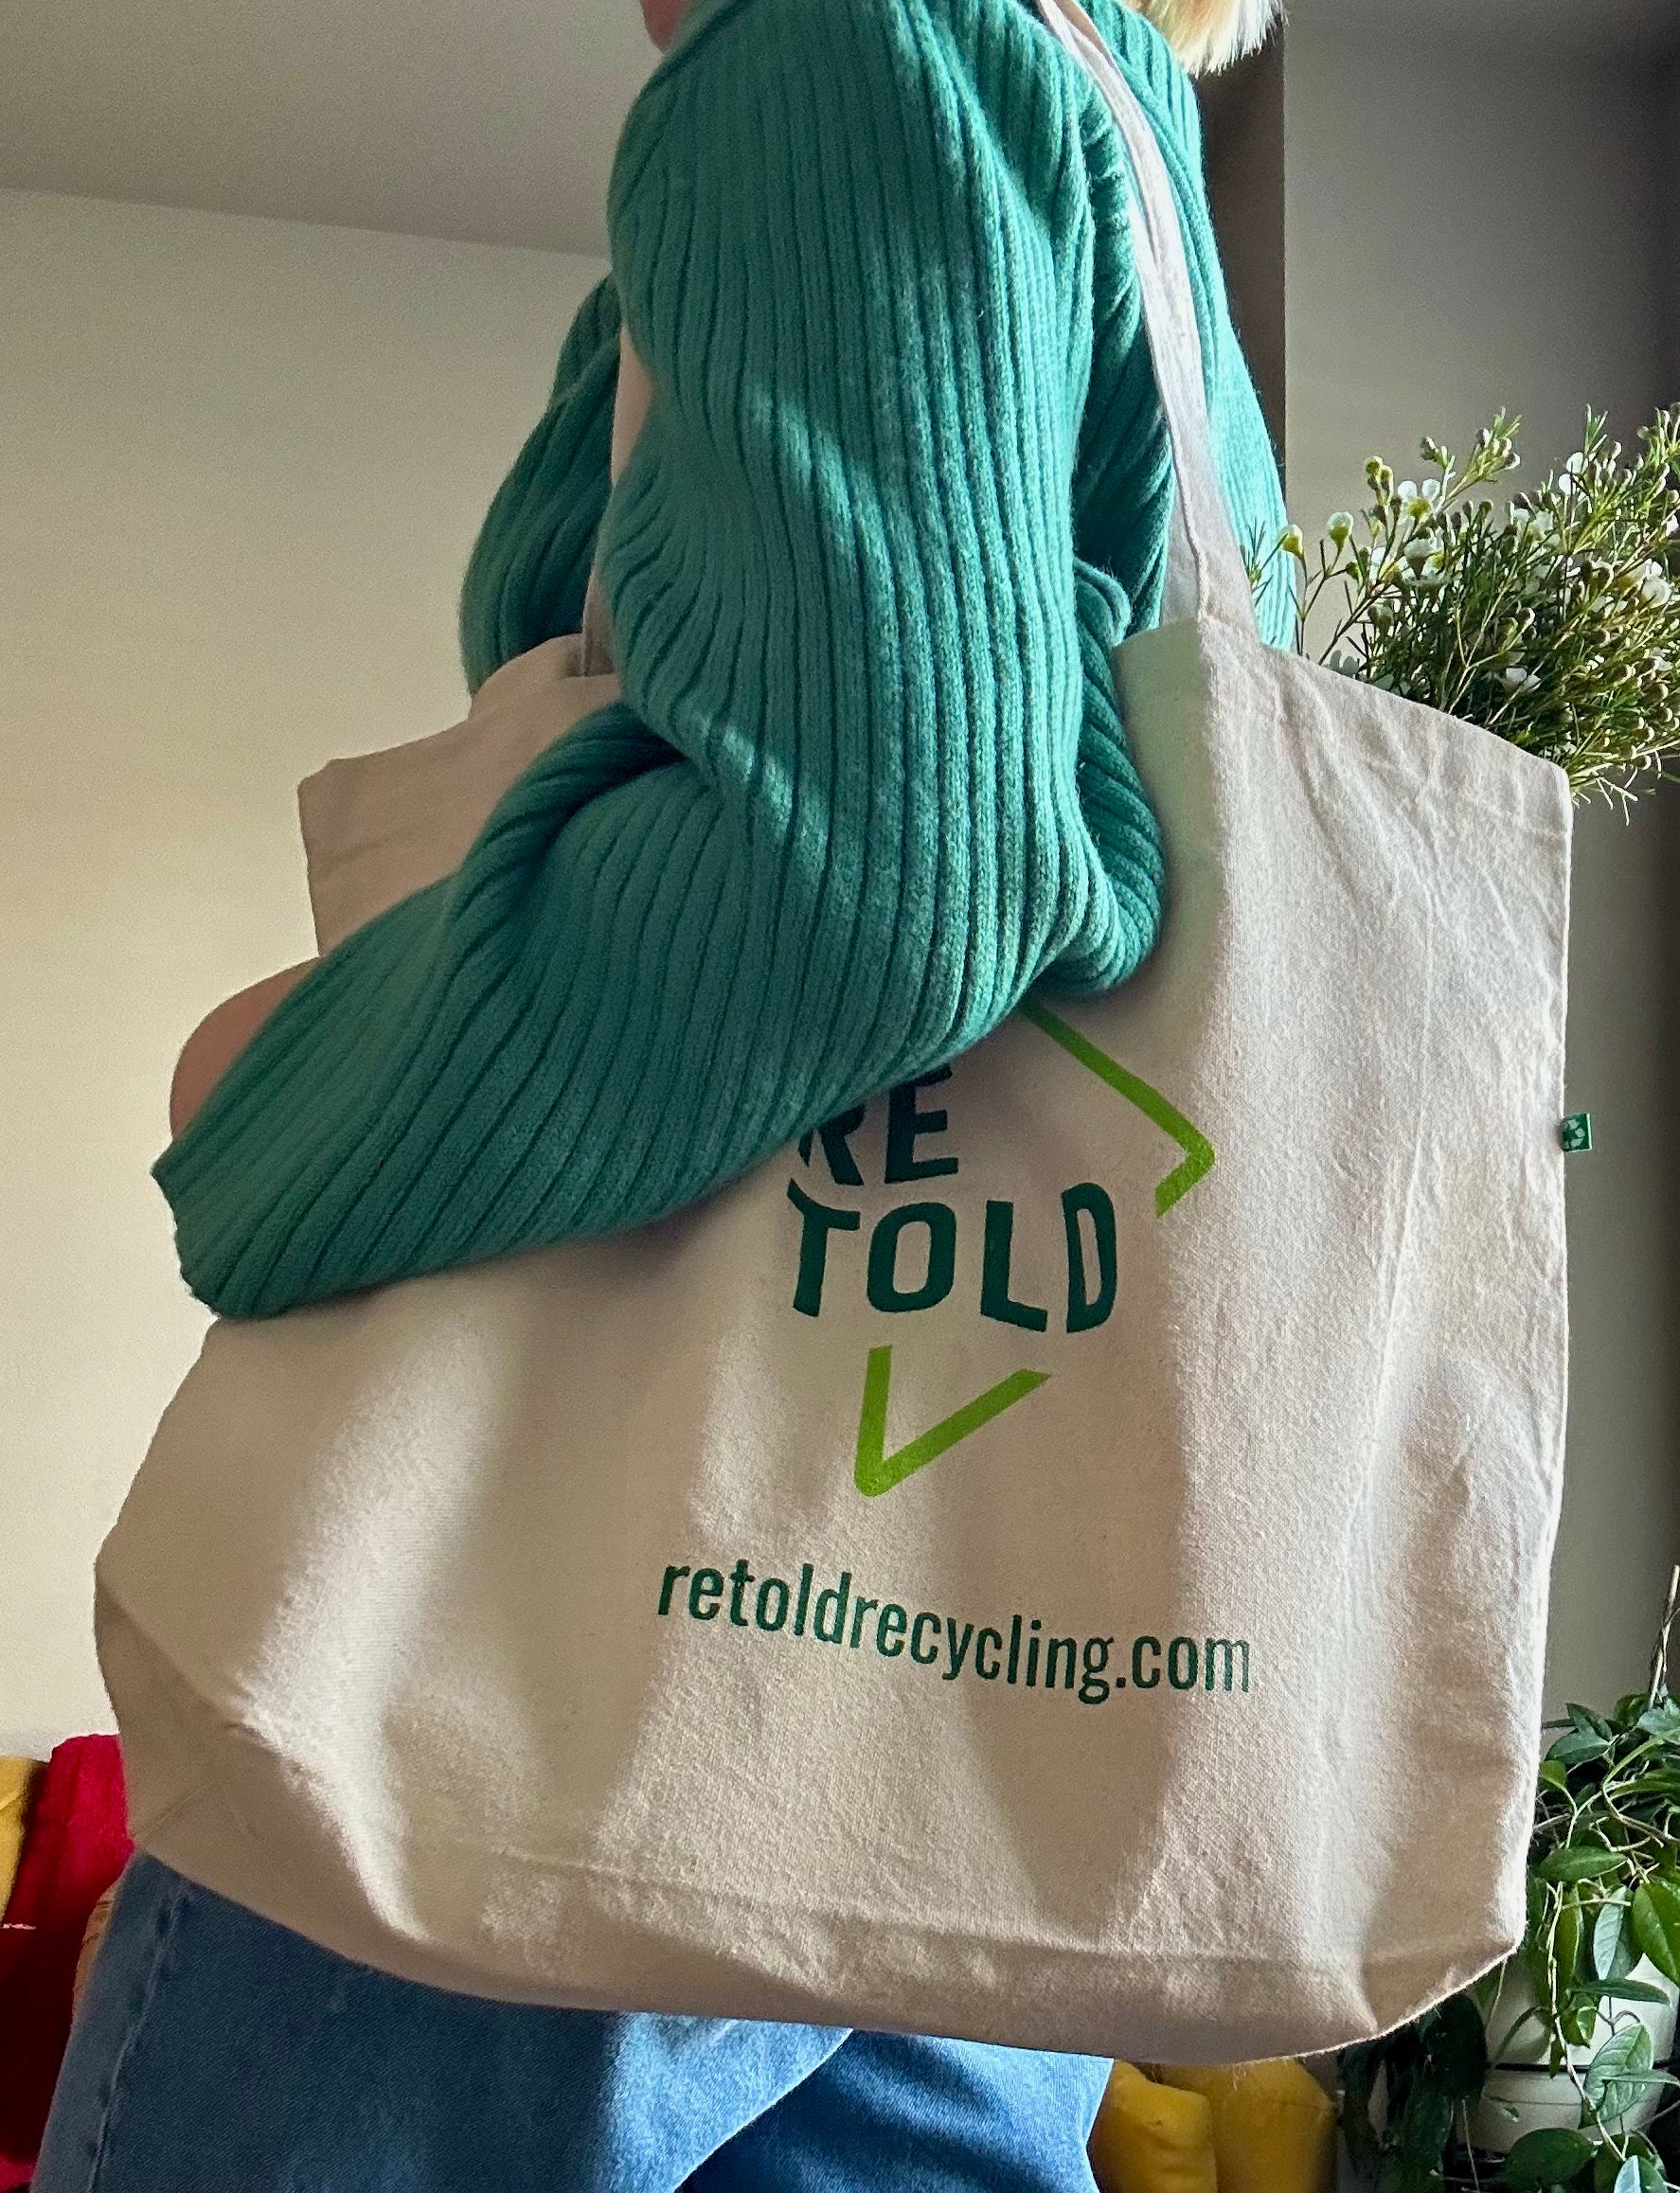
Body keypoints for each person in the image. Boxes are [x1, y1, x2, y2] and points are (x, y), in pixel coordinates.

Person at [39, 0, 1285, 2184]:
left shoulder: (849, 37)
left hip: (578, 1640)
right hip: (972, 1655)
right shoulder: (1114, 130)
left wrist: (271, 1095)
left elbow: (890, 880)